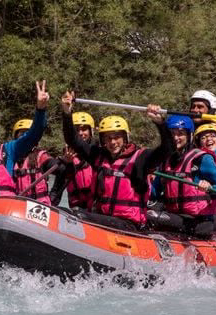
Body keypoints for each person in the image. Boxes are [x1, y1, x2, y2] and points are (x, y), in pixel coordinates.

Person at [60, 91, 172, 231]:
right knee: (69, 212)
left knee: (78, 215)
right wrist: (66, 112)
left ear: (125, 138)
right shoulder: (97, 155)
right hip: (101, 218)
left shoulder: (141, 158)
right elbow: (73, 140)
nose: (113, 142)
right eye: (108, 138)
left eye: (117, 137)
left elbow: (167, 149)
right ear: (102, 140)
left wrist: (160, 124)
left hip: (127, 224)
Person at [147, 114, 216, 237]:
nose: (176, 137)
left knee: (152, 216)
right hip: (174, 215)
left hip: (198, 220)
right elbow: (154, 192)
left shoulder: (201, 159)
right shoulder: (165, 161)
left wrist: (210, 188)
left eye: (180, 133)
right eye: (172, 134)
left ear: (189, 136)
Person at [48, 111, 96, 209]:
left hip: (96, 208)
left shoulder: (98, 153)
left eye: (84, 129)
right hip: (77, 209)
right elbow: (57, 187)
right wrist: (49, 206)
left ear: (91, 131)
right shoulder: (67, 156)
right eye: (77, 130)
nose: (80, 133)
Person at [11, 119, 54, 204]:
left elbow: (60, 169)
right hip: (18, 205)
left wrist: (54, 195)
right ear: (16, 137)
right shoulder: (10, 158)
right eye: (22, 134)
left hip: (39, 206)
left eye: (28, 133)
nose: (25, 137)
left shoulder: (41, 156)